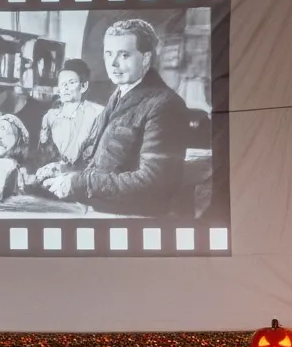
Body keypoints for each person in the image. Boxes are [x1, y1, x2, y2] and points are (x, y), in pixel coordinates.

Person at [41, 19, 191, 216]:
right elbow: (101, 158)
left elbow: (153, 181)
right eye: (109, 54)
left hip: (135, 219)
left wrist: (77, 182)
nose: (113, 63)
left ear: (146, 58)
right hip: (101, 209)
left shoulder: (165, 104)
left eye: (124, 55)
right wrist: (65, 168)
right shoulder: (119, 94)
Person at [36, 59, 102, 171]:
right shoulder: (51, 116)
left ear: (83, 86)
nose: (65, 87)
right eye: (62, 83)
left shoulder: (97, 113)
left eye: (71, 82)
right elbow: (43, 154)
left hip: (82, 176)